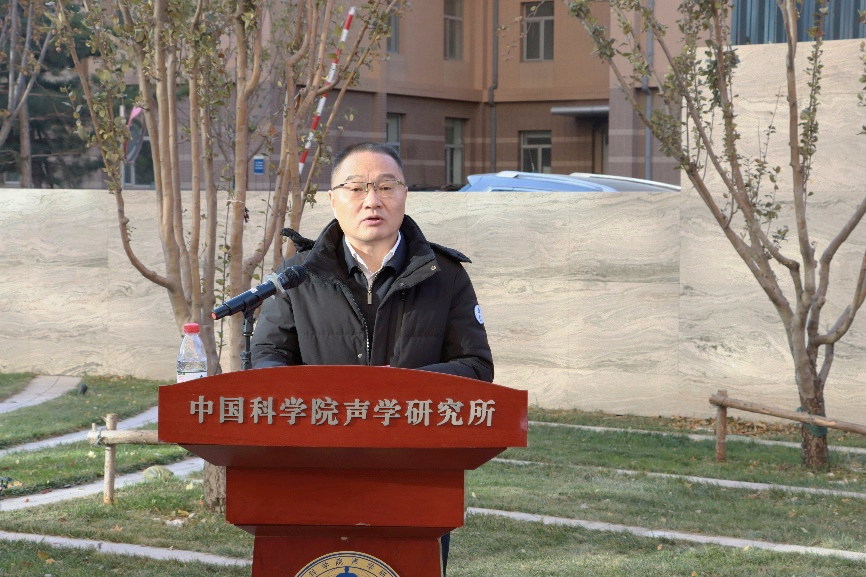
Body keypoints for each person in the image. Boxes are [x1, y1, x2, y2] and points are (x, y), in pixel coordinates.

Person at [250, 141, 493, 574]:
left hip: (415, 471)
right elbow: (267, 357)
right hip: (314, 467)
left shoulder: (446, 276)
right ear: (333, 199)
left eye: (385, 186)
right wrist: (313, 400)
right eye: (356, 188)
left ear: (404, 195)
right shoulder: (297, 276)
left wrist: (394, 388)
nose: (372, 201)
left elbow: (476, 366)